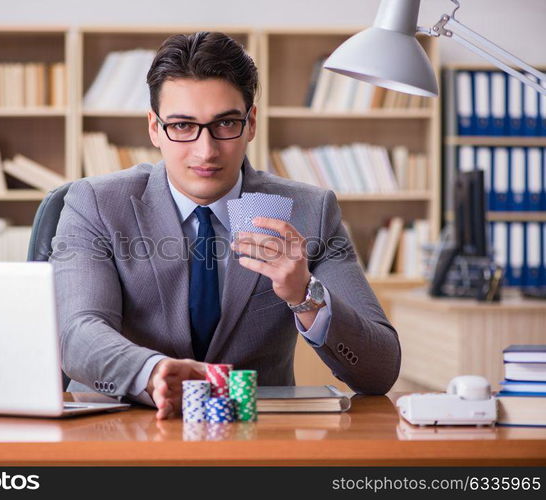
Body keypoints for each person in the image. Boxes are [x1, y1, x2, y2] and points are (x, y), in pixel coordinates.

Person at [51, 31, 401, 419]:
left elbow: (379, 371)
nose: (206, 150)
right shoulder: (96, 204)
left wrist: (305, 295)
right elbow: (77, 333)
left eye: (225, 124)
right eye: (182, 126)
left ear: (250, 123)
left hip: (253, 435)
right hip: (123, 427)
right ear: (154, 128)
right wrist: (151, 373)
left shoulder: (309, 210)